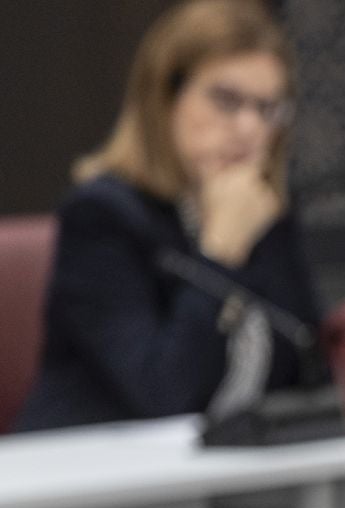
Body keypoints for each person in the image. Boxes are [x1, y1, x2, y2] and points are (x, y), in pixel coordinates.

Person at [16, 0, 320, 433]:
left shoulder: (262, 214)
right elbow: (163, 394)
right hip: (94, 482)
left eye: (268, 108)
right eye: (227, 100)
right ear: (163, 97)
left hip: (233, 484)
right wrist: (220, 252)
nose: (250, 129)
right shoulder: (102, 217)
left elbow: (310, 375)